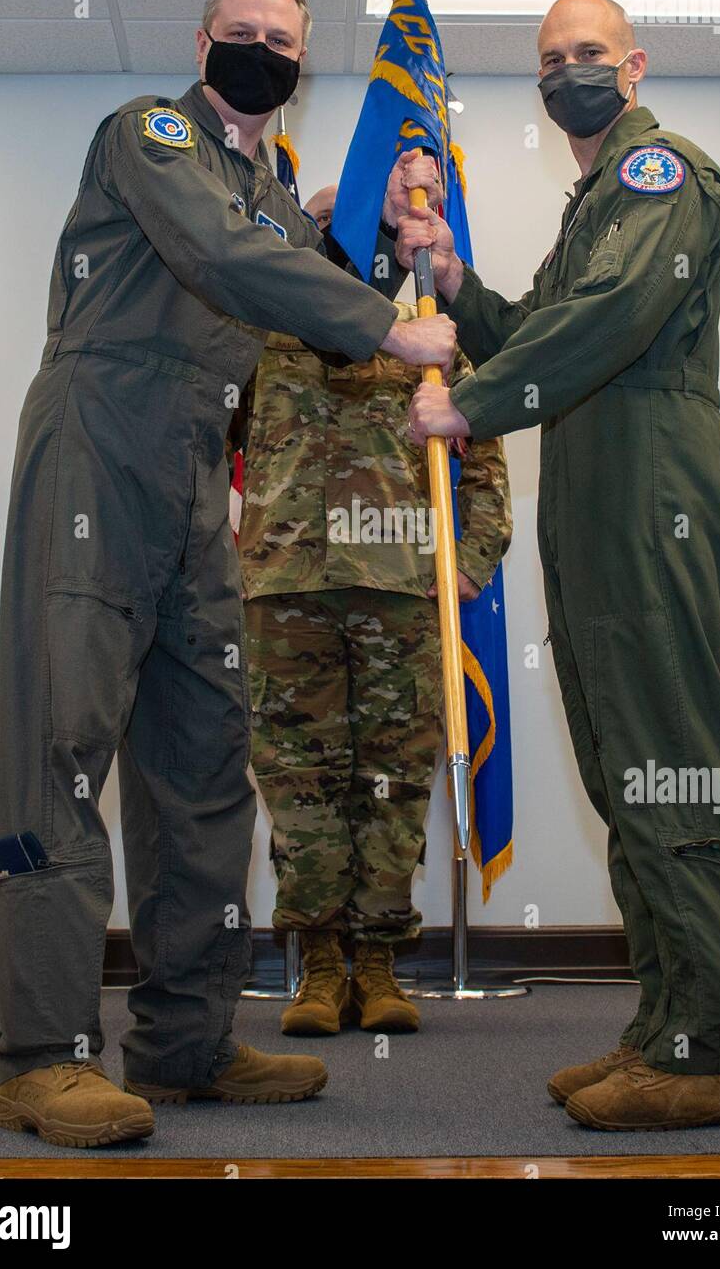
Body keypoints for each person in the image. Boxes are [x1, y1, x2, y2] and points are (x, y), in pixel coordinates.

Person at [0, 0, 453, 1147]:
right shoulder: (152, 138)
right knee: (61, 749)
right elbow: (223, 254)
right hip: (99, 442)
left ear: (299, 64)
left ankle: (186, 1041)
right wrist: (389, 327)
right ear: (204, 42)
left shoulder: (267, 190)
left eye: (281, 39)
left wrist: (398, 229)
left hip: (201, 467)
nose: (260, 49)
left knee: (202, 766)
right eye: (241, 32)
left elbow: (309, 268)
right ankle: (46, 1056)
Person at [397, 0, 720, 1132]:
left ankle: (716, 1050)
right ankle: (666, 1025)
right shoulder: (594, 202)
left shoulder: (666, 175)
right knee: (624, 765)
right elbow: (549, 332)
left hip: (652, 486)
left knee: (671, 761)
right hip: (602, 493)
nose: (570, 72)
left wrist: (462, 404)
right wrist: (462, 291)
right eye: (551, 59)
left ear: (636, 65)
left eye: (590, 55)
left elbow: (607, 322)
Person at [239, 184, 512, 1036]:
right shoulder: (260, 329)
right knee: (300, 780)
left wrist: (467, 566)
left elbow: (487, 447)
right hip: (286, 585)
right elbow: (203, 441)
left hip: (402, 589)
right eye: (325, 224)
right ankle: (319, 965)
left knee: (392, 780)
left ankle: (381, 964)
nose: (341, 238)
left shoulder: (429, 335)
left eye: (356, 223)